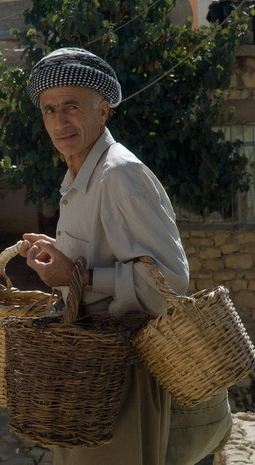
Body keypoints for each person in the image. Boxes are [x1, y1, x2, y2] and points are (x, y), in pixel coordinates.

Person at [17, 47, 230, 464]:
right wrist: (61, 256)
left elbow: (168, 283)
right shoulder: (78, 174)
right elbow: (96, 254)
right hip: (86, 376)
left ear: (103, 111)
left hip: (122, 381)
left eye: (72, 107)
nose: (60, 121)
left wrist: (78, 273)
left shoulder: (120, 175)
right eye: (49, 109)